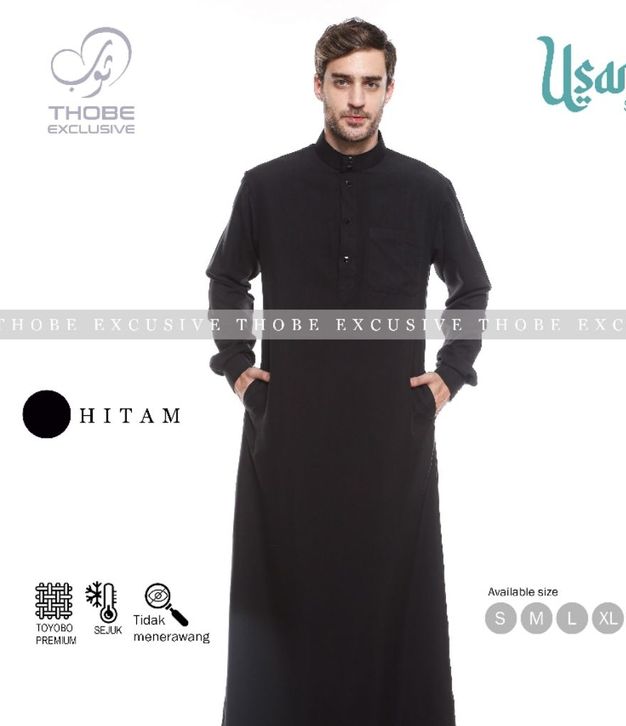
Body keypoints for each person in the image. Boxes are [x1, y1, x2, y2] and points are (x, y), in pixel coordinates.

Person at [206, 16, 491, 726]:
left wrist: (450, 375)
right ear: (318, 87)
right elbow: (227, 279)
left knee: (391, 604)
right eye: (342, 83)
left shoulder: (426, 190)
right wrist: (239, 367)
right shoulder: (266, 186)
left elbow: (471, 288)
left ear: (391, 89)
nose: (356, 99)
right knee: (283, 599)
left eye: (370, 83)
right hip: (288, 435)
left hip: (391, 438)